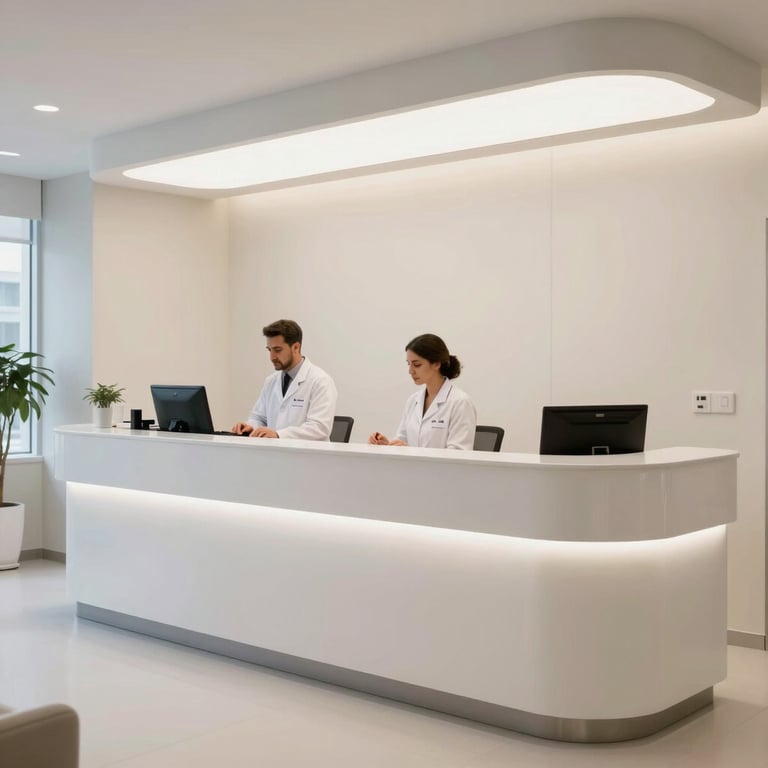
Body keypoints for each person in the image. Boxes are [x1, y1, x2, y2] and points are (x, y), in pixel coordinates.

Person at [232, 319, 337, 440]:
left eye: (277, 350)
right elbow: (259, 417)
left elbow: (319, 428)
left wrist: (279, 435)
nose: (272, 357)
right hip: (274, 450)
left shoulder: (320, 381)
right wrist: (250, 426)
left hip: (306, 452)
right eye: (269, 350)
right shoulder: (271, 381)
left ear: (296, 347)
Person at [369, 333, 476, 450]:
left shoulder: (460, 402)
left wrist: (411, 451)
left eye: (417, 365)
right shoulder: (413, 401)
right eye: (409, 364)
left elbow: (458, 454)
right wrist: (388, 445)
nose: (410, 371)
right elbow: (402, 440)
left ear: (436, 364)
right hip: (411, 463)